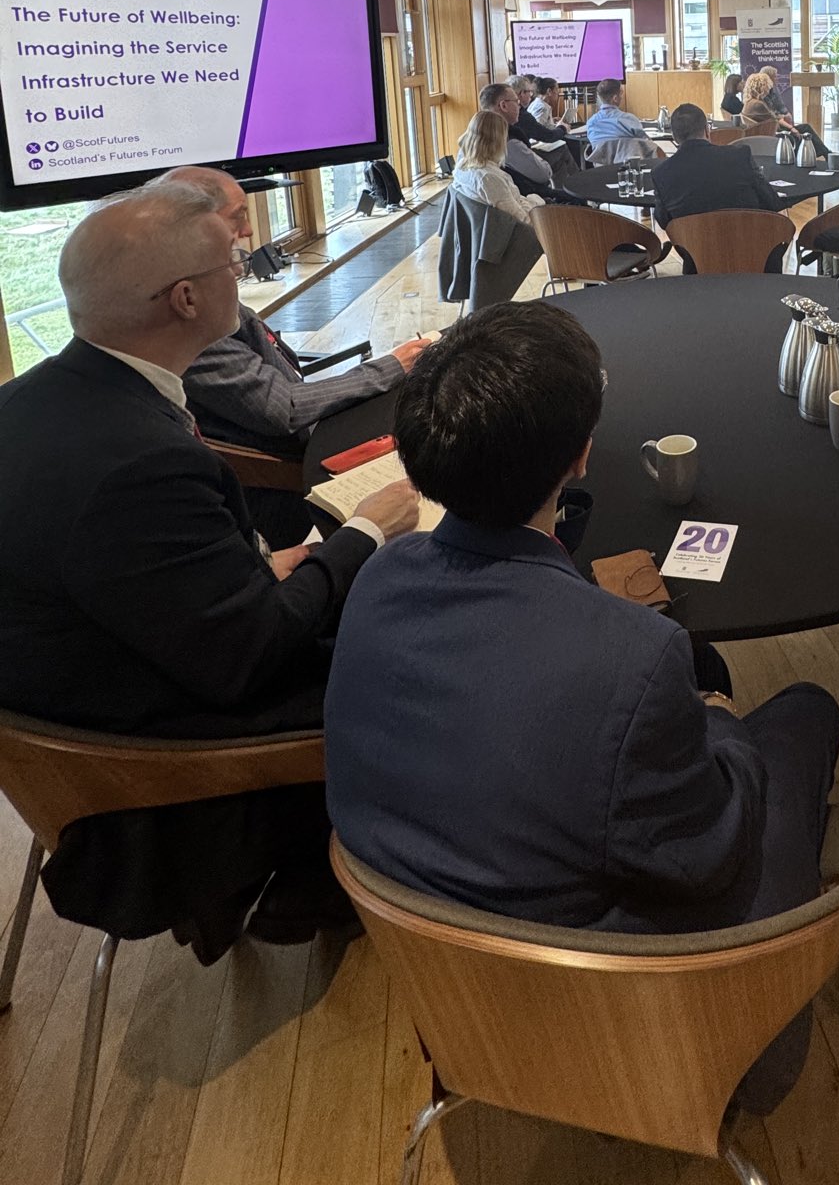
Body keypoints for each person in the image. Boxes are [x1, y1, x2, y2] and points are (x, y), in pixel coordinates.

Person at [324, 301, 839, 1109]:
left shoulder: (379, 578)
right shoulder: (634, 656)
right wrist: (716, 718)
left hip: (447, 998)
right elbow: (707, 856)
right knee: (808, 710)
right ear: (582, 455)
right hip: (629, 1025)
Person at [0, 186, 419, 959]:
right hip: (153, 743)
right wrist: (364, 532)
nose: (246, 267)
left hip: (75, 698)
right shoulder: (143, 462)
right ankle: (331, 878)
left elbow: (129, 575)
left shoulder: (28, 404)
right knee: (414, 650)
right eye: (232, 261)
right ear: (187, 298)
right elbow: (248, 658)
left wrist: (259, 565)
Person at [160, 167, 430, 546]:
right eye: (238, 215)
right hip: (282, 484)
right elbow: (283, 408)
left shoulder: (209, 293)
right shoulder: (192, 318)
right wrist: (391, 366)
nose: (250, 233)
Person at [652, 102, 785, 271]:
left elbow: (665, 222)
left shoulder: (661, 174)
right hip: (756, 255)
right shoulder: (739, 156)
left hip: (699, 263)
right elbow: (771, 203)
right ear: (707, 130)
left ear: (674, 137)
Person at [454, 110, 547, 221]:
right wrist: (536, 201)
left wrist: (528, 202)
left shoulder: (462, 167)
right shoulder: (489, 178)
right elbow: (523, 220)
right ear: (497, 140)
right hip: (522, 234)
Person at [740, 70, 837, 161]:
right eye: (767, 85)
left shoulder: (750, 102)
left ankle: (826, 154)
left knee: (804, 127)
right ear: (761, 86)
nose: (770, 88)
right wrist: (791, 128)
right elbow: (775, 121)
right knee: (801, 132)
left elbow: (774, 119)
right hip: (771, 134)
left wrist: (788, 125)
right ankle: (824, 155)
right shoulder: (758, 104)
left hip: (766, 132)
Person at [583, 78, 664, 163]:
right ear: (615, 98)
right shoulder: (629, 119)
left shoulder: (591, 123)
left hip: (602, 169)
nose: (622, 97)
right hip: (632, 168)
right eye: (621, 94)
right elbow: (646, 143)